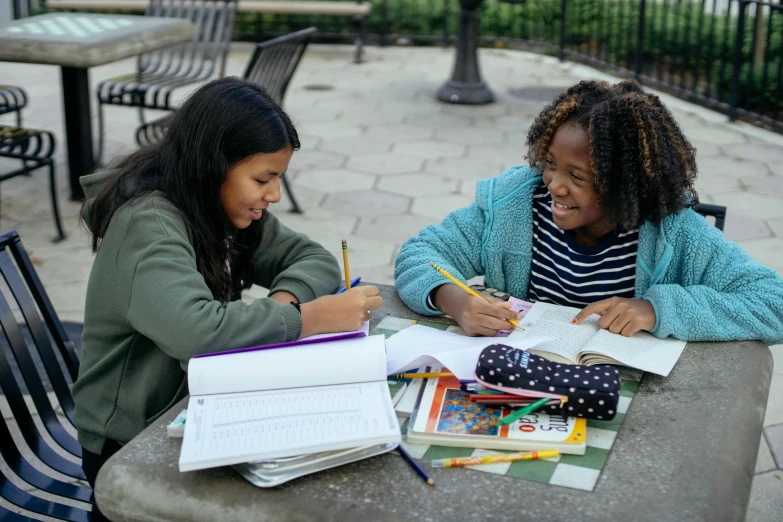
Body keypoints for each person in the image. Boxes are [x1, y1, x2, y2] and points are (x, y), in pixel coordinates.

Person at [73, 77, 382, 498]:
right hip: (129, 442)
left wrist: (284, 304)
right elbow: (197, 333)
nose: (273, 194)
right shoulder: (149, 224)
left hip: (197, 404)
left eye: (278, 178)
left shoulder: (218, 205)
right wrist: (307, 319)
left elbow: (316, 260)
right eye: (262, 179)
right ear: (213, 166)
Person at [395, 79, 783, 344]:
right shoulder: (511, 206)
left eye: (577, 176)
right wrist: (455, 300)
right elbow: (418, 254)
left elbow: (773, 303)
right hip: (523, 373)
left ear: (627, 185)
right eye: (549, 163)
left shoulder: (675, 233)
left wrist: (657, 309)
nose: (554, 185)